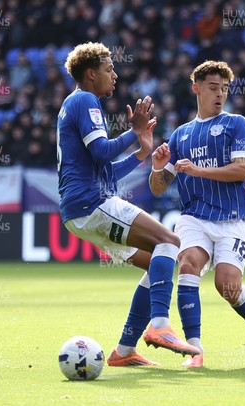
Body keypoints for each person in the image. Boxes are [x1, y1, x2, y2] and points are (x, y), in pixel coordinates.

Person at [57, 42, 200, 368]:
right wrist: (135, 132)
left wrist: (139, 153)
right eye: (109, 69)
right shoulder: (85, 100)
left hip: (81, 208)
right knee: (171, 242)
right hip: (90, 204)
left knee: (157, 262)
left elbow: (105, 169)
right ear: (91, 73)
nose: (115, 75)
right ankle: (160, 326)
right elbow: (103, 152)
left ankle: (124, 350)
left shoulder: (75, 104)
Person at [149, 60, 245, 368]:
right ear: (196, 89)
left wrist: (198, 170)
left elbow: (243, 169)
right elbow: (158, 187)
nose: (220, 94)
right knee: (188, 263)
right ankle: (194, 350)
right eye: (212, 88)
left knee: (228, 286)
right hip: (194, 215)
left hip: (232, 217)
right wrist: (158, 167)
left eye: (224, 88)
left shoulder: (237, 123)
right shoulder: (180, 135)